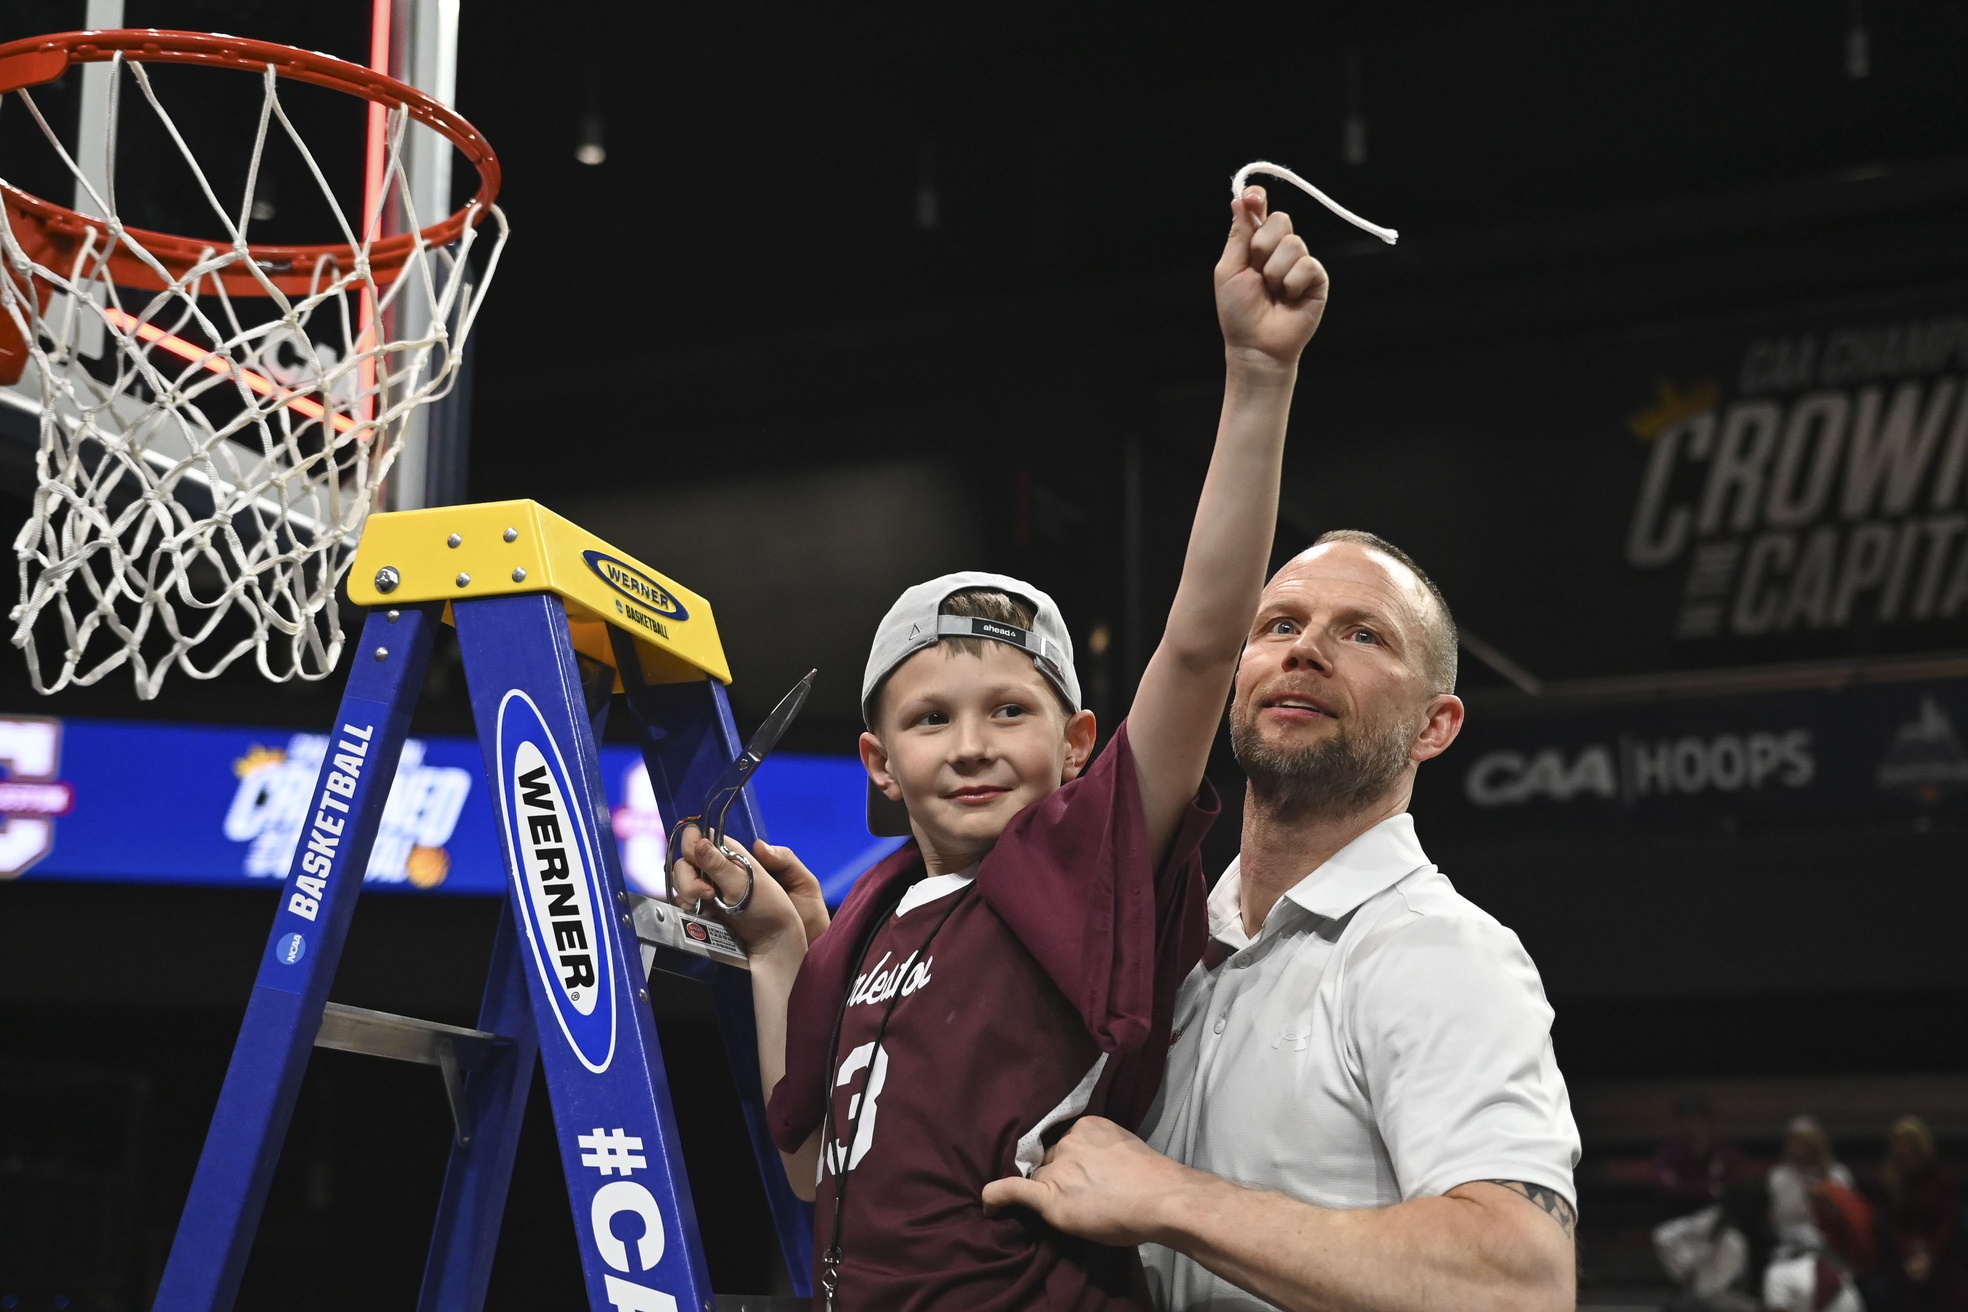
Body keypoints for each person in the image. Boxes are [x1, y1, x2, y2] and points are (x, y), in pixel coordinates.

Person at [669, 183, 1328, 1309]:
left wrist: (1259, 377)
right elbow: (808, 1166)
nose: (971, 745)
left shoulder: (1078, 866)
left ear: (1079, 743)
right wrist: (781, 951)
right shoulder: (869, 915)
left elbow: (1199, 643)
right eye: (931, 719)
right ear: (879, 762)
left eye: (1010, 711)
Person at [981, 531, 1581, 1311]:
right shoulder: (1171, 946)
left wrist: (1169, 1198)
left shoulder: (1439, 949)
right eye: (1279, 625)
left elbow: (1520, 1285)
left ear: (1434, 726)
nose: (1306, 651)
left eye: (1363, 634)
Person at [1878, 1114, 1965, 1312]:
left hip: (1939, 1255)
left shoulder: (1942, 1179)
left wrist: (1929, 1255)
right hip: (1903, 1258)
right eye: (1898, 1143)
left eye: (1908, 1143)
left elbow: (1948, 1222)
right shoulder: (1890, 1181)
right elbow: (1888, 1224)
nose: (1903, 1149)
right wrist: (1909, 1250)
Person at [1654, 1093, 1754, 1215]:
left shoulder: (1727, 1154)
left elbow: (1732, 1188)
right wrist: (1706, 1188)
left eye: (1699, 1120)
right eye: (1687, 1121)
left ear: (1709, 1122)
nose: (1693, 1127)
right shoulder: (1670, 1153)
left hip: (1717, 1215)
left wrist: (1690, 1187)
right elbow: (1667, 1185)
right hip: (1677, 1215)